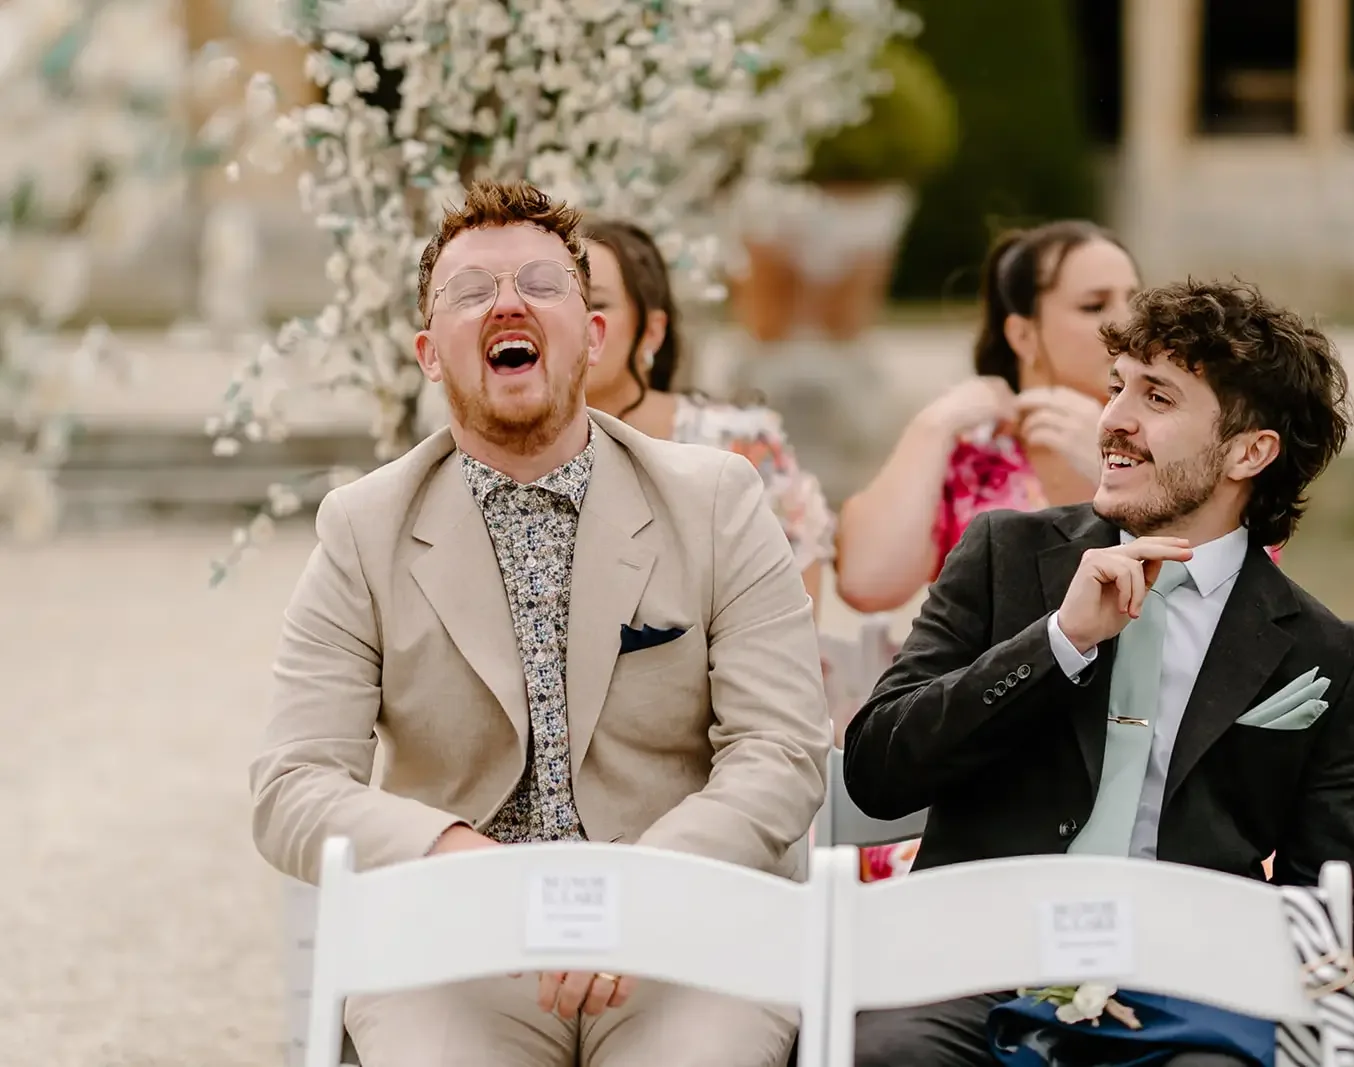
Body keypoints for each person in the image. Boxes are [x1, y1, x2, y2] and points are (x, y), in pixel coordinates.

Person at [249, 178, 831, 1067]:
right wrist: (447, 854)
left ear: (594, 335)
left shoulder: (716, 500)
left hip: (684, 929)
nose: (507, 303)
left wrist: (639, 887)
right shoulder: (361, 528)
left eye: (541, 283)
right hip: (453, 950)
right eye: (471, 292)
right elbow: (290, 784)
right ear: (428, 353)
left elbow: (782, 750)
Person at [842, 279, 1354, 1067]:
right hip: (971, 969)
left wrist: (1211, 968)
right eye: (1116, 386)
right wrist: (1059, 641)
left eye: (1156, 397)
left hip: (1183, 997)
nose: (1114, 420)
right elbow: (877, 768)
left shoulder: (1322, 650)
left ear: (1249, 450)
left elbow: (1342, 911)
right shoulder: (1005, 556)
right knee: (888, 1056)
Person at [831, 221, 1140, 617]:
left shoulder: (1166, 438)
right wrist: (933, 427)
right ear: (1024, 335)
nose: (1129, 323)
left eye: (1135, 300)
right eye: (1094, 306)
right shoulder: (972, 461)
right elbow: (866, 583)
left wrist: (1108, 469)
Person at [580, 218, 835, 616]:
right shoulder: (516, 452)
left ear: (651, 330)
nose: (578, 323)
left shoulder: (736, 439)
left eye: (596, 304)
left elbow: (797, 586)